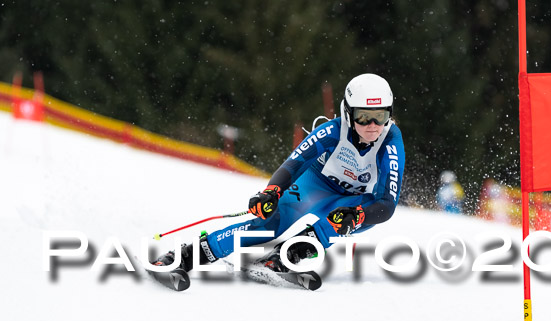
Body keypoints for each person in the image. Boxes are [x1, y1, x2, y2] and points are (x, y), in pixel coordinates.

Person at [153, 73, 405, 275]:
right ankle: (187, 255)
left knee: (338, 222)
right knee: (268, 224)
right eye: (363, 117)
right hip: (317, 184)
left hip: (354, 199)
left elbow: (386, 204)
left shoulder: (391, 140)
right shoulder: (334, 130)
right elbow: (294, 163)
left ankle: (290, 254)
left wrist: (359, 215)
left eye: (380, 116)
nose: (372, 126)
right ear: (348, 113)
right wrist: (271, 192)